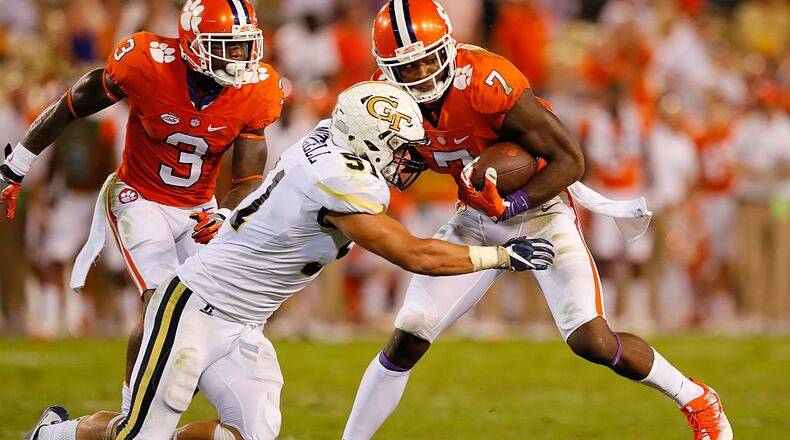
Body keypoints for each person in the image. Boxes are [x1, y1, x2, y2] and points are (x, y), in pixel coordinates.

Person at [24, 81, 554, 440]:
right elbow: (412, 253)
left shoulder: (327, 143)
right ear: (364, 142)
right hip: (194, 308)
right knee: (138, 437)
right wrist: (500, 254)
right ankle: (55, 434)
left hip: (243, 322)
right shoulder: (342, 181)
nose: (405, 159)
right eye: (396, 147)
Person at [342, 1, 732, 439]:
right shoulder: (385, 99)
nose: (420, 76)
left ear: (448, 45)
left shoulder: (487, 80)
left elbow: (571, 160)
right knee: (408, 335)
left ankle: (696, 398)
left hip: (541, 210)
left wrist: (514, 203)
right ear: (385, 70)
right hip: (475, 215)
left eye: (428, 60)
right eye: (406, 68)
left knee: (591, 340)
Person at [0, 0, 283, 415]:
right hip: (139, 197)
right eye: (228, 46)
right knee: (164, 304)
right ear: (193, 43)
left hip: (198, 209)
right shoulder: (145, 62)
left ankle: (158, 403)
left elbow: (247, 180)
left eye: (244, 46)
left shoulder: (256, 90)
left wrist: (224, 214)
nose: (240, 58)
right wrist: (17, 164)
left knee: (213, 310)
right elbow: (71, 106)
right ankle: (136, 414)